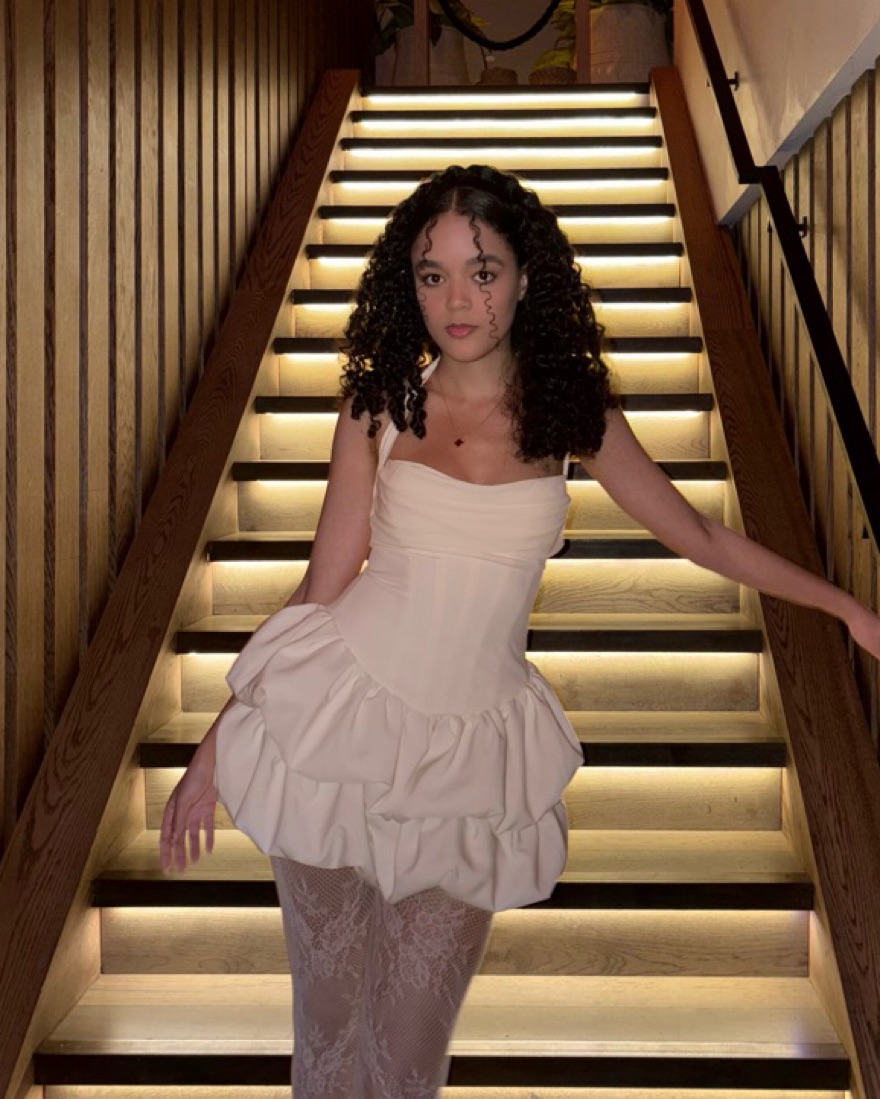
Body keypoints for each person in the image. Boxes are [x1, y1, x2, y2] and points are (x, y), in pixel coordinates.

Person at [159, 164, 880, 1098]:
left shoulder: (571, 412)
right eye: (433, 275)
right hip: (337, 732)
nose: (458, 301)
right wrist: (214, 746)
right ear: (408, 285)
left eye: (483, 272)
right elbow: (320, 587)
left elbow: (700, 535)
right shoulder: (378, 404)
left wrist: (844, 607)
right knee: (330, 1031)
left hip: (472, 759)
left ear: (527, 277)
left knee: (407, 1056)